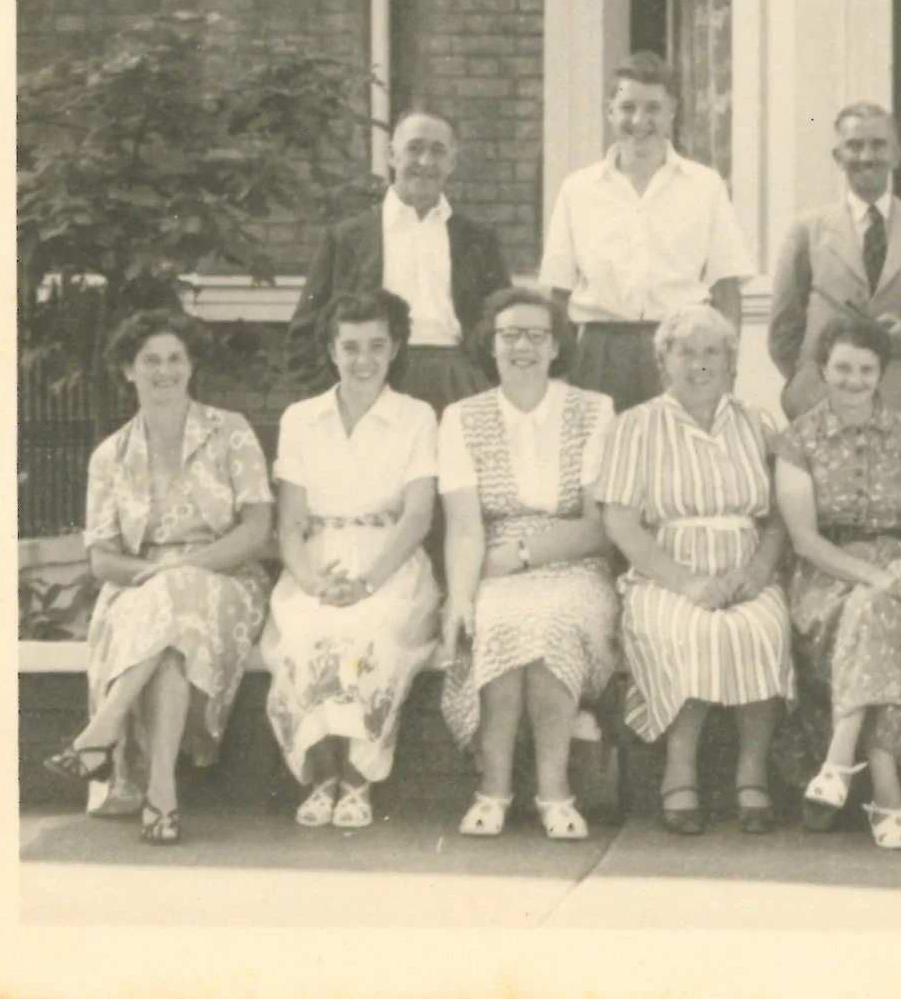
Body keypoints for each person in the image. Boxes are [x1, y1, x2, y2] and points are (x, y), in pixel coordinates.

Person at [45, 311, 273, 846]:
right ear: (128, 370)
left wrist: (183, 569)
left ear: (191, 366)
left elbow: (257, 530)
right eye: (150, 360)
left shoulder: (229, 431)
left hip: (226, 578)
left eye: (175, 358)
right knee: (169, 637)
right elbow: (102, 558)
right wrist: (156, 572)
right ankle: (162, 792)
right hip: (141, 585)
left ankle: (103, 729)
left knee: (174, 602)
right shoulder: (111, 456)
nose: (164, 370)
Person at [595, 305, 794, 838]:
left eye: (713, 352)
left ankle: (751, 773)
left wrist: (757, 573)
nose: (700, 363)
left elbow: (780, 517)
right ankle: (678, 771)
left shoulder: (758, 422)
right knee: (691, 629)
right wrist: (686, 583)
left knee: (762, 627)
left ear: (731, 362)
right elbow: (619, 522)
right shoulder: (635, 426)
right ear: (665, 359)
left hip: (746, 568)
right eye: (687, 351)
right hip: (667, 573)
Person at [435, 287, 620, 841]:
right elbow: (465, 526)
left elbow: (597, 526)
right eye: (509, 335)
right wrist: (460, 598)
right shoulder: (462, 418)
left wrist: (520, 555)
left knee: (554, 622)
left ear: (556, 346)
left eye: (536, 335)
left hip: (575, 562)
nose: (522, 346)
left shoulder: (594, 410)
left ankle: (554, 791)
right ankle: (493, 790)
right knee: (497, 621)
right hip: (490, 564)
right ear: (489, 345)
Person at [261, 289, 443, 830]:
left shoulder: (416, 417)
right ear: (330, 351)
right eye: (350, 347)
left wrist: (365, 584)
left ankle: (358, 779)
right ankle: (321, 775)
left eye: (377, 346)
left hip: (389, 564)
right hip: (318, 564)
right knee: (307, 632)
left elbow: (417, 519)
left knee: (368, 630)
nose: (363, 360)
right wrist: (311, 580)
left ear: (396, 349)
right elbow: (291, 523)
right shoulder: (301, 418)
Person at [774, 313, 901, 850]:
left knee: (873, 614)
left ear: (882, 373)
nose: (853, 380)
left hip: (899, 568)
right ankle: (887, 793)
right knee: (867, 614)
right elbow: (804, 538)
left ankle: (836, 763)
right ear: (823, 370)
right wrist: (871, 577)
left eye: (865, 370)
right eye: (842, 368)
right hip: (826, 571)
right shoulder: (797, 440)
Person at [541, 53, 757, 412]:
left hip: (684, 347)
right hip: (601, 349)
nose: (640, 121)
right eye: (627, 107)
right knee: (601, 459)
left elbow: (726, 288)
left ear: (672, 111)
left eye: (653, 108)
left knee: (680, 458)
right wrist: (557, 370)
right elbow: (559, 292)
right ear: (609, 110)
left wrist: (726, 370)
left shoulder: (705, 186)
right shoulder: (578, 189)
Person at [288, 108, 514, 413]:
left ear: (452, 163)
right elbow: (306, 331)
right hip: (375, 378)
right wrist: (337, 396)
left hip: (458, 382)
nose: (425, 162)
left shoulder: (478, 239)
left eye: (438, 151)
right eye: (414, 148)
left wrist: (484, 384)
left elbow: (502, 325)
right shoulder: (347, 238)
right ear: (392, 156)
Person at [771, 103, 901, 427]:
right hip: (824, 405)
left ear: (897, 154)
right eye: (854, 146)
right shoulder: (807, 231)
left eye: (879, 145)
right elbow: (784, 328)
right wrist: (807, 381)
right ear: (838, 157)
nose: (867, 156)